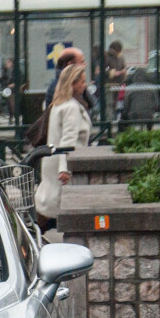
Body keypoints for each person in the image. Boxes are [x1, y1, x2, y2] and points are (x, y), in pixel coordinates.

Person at [35, 64, 92, 231]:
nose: (84, 85)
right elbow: (68, 140)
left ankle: (30, 239)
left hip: (52, 163)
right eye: (82, 81)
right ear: (72, 84)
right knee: (54, 210)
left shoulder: (59, 104)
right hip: (64, 165)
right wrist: (65, 168)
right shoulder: (71, 107)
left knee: (48, 209)